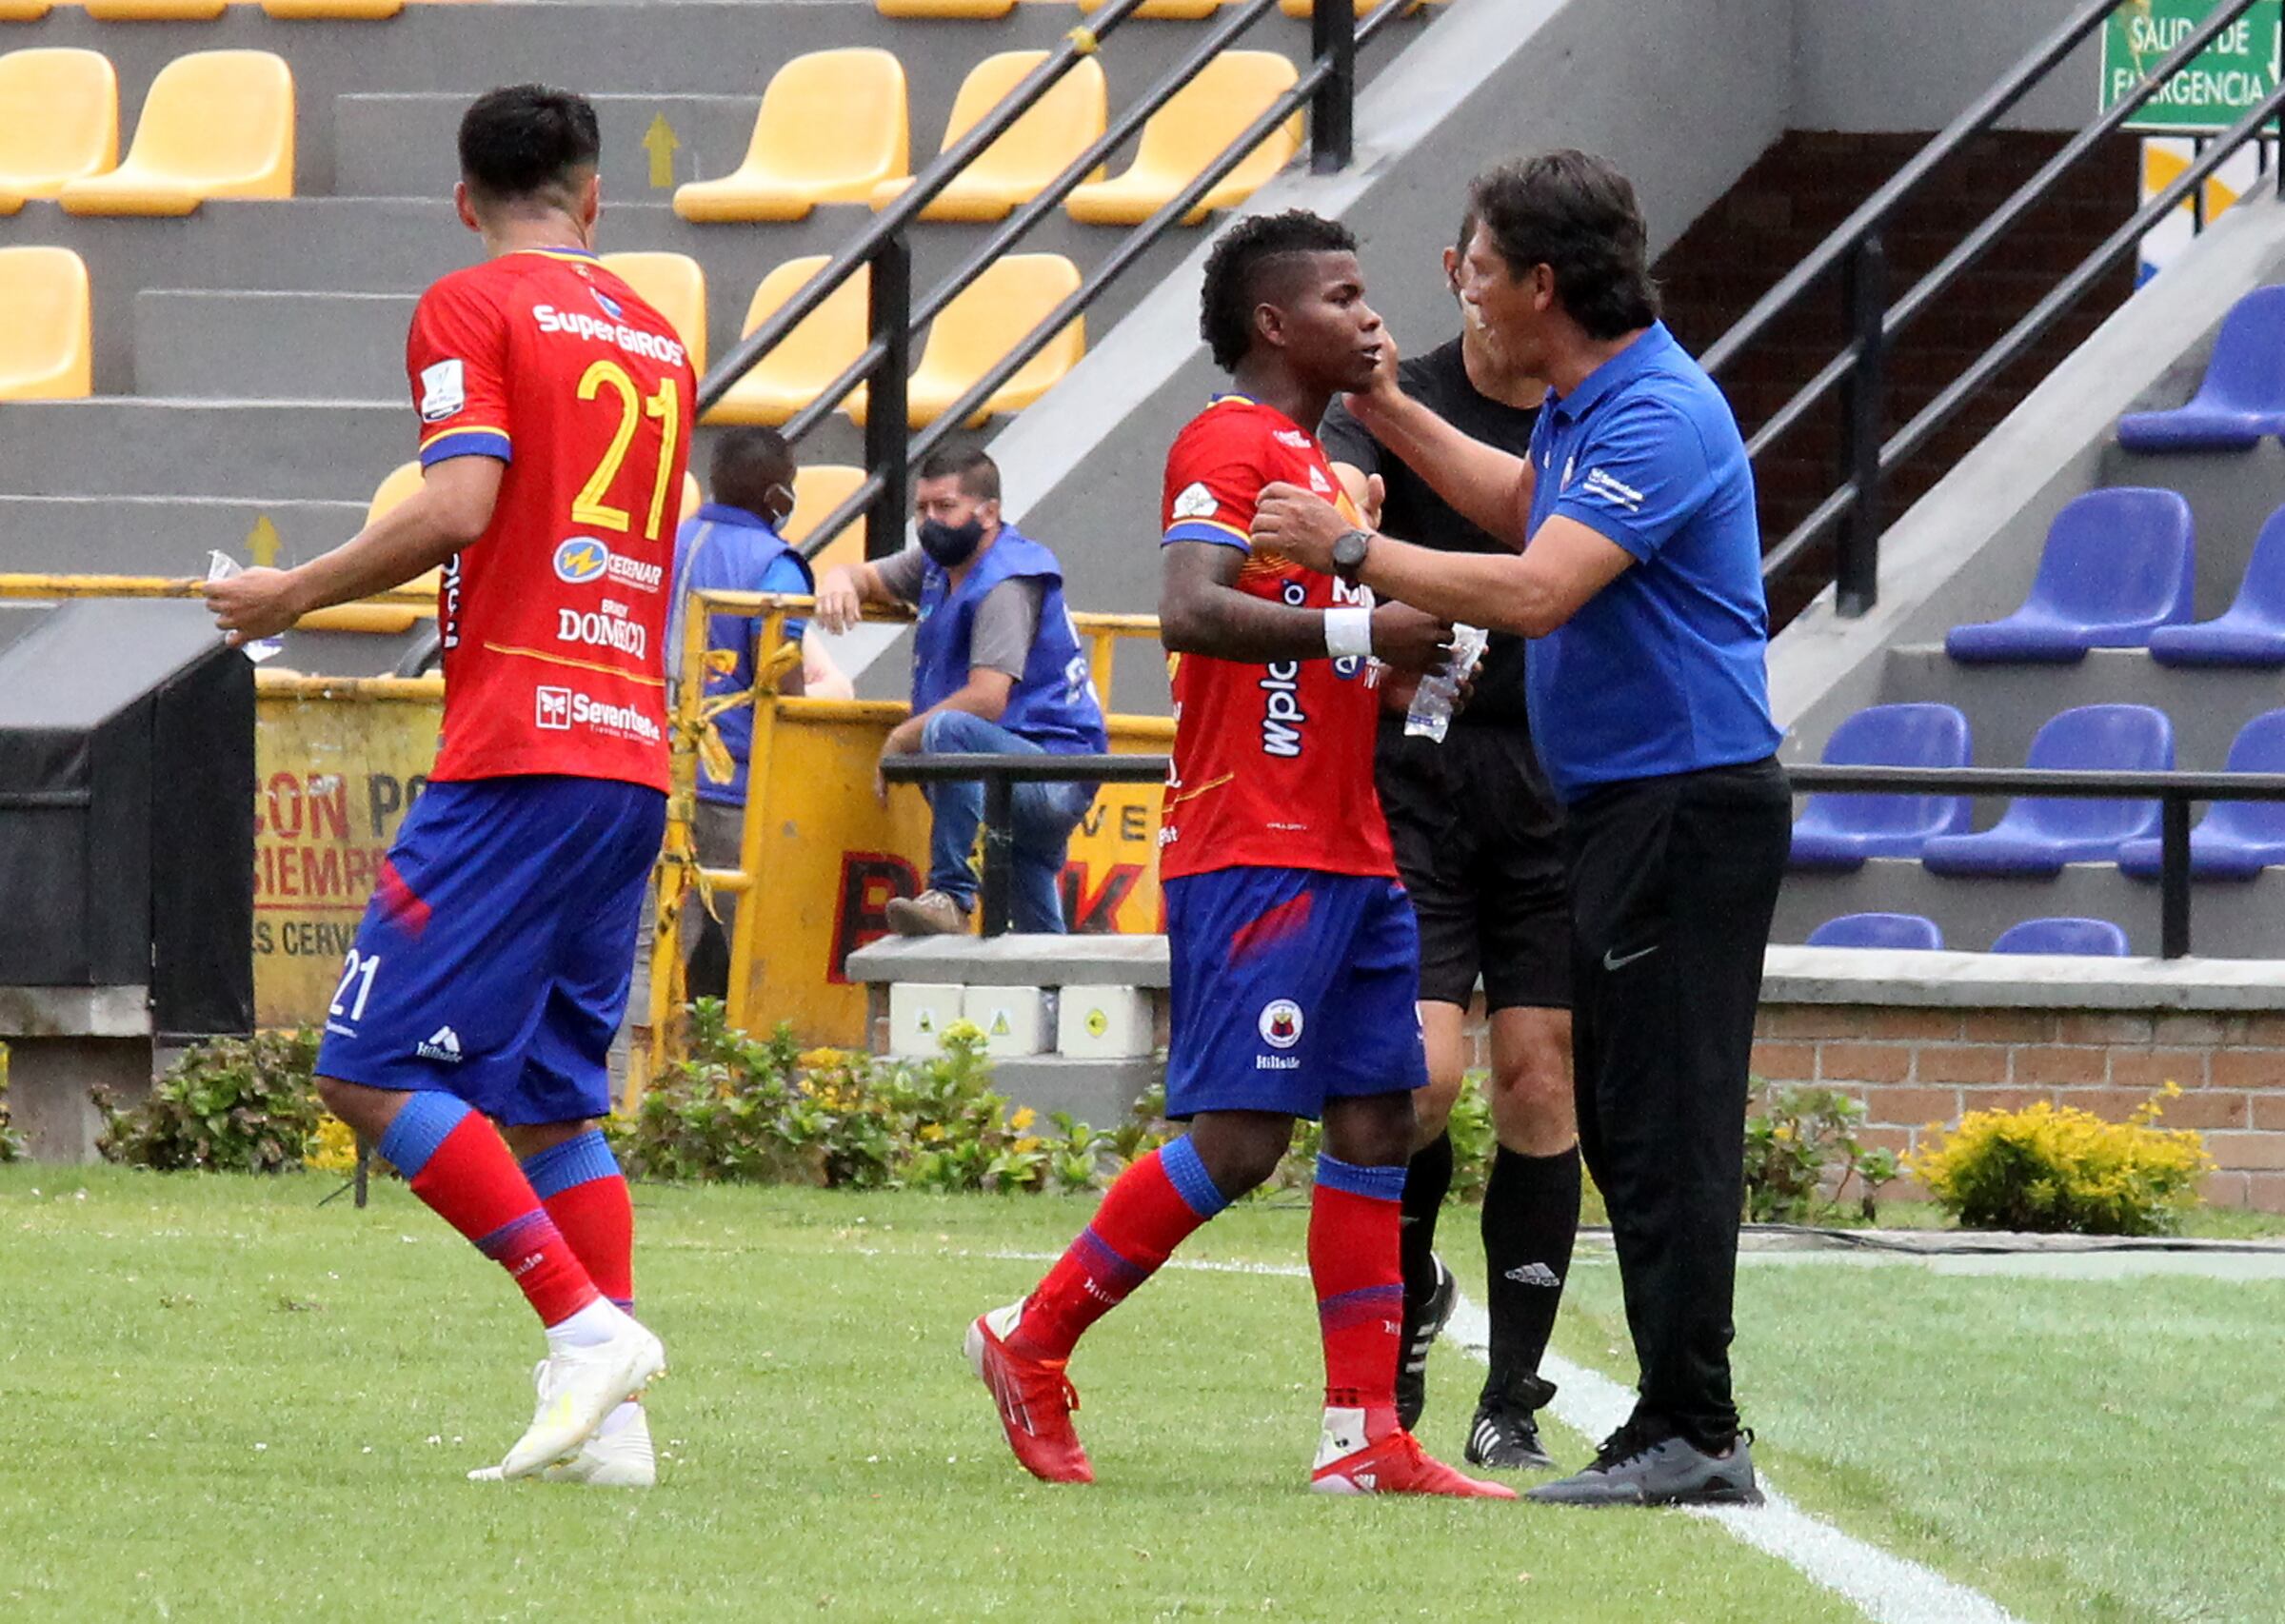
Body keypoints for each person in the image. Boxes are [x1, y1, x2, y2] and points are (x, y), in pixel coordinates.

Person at [1253, 152, 1788, 1509]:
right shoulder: (1583, 403)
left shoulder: (1657, 409)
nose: (1464, 289)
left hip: (1685, 805)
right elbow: (1523, 505)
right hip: (1628, 804)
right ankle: (1676, 1419)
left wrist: (1349, 549)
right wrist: (1388, 406)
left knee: (1665, 1122)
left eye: (1480, 267)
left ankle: (1694, 1426)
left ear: (1544, 284)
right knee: (1625, 1113)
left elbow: (1540, 587)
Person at [962, 209, 1511, 1499]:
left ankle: (1359, 1433)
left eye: (1367, 293)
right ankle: (1029, 1336)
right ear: (1274, 323)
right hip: (1252, 842)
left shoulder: (1325, 473)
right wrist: (1365, 629)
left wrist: (1416, 664)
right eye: (1342, 296)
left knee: (1380, 1115)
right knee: (1244, 1137)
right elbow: (1189, 611)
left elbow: (1319, 659)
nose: (1370, 316)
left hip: (1350, 841)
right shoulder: (1228, 439)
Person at [204, 84, 691, 1489]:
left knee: (361, 1069)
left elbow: (466, 500)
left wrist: (293, 590)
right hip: (627, 746)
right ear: (595, 198)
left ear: (464, 200)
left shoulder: (470, 303)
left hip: (521, 745)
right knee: (551, 1099)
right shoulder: (657, 335)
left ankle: (585, 1330)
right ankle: (616, 1433)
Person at [1318, 209, 1578, 1473]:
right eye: (1476, 267)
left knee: (1538, 1076)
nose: (1493, 291)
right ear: (1457, 272)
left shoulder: (1594, 416)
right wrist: (1349, 534)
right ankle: (1411, 1293)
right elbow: (1332, 508)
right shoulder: (1388, 402)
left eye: (1514, 272)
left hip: (1556, 780)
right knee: (1420, 1078)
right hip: (1413, 776)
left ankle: (1512, 1398)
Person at [812, 446, 1107, 936]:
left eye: (945, 507)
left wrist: (901, 737)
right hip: (1010, 763)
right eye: (921, 508)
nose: (930, 521)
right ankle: (1054, 980)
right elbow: (869, 577)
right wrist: (840, 579)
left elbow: (987, 698)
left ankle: (950, 894)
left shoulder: (1006, 581)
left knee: (949, 730)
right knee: (1036, 942)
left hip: (1055, 769)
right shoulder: (938, 562)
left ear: (988, 513)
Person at [666, 426, 850, 998]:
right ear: (777, 494)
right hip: (734, 783)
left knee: (663, 948)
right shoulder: (777, 565)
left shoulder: (668, 544)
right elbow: (778, 682)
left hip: (656, 770)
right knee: (751, 945)